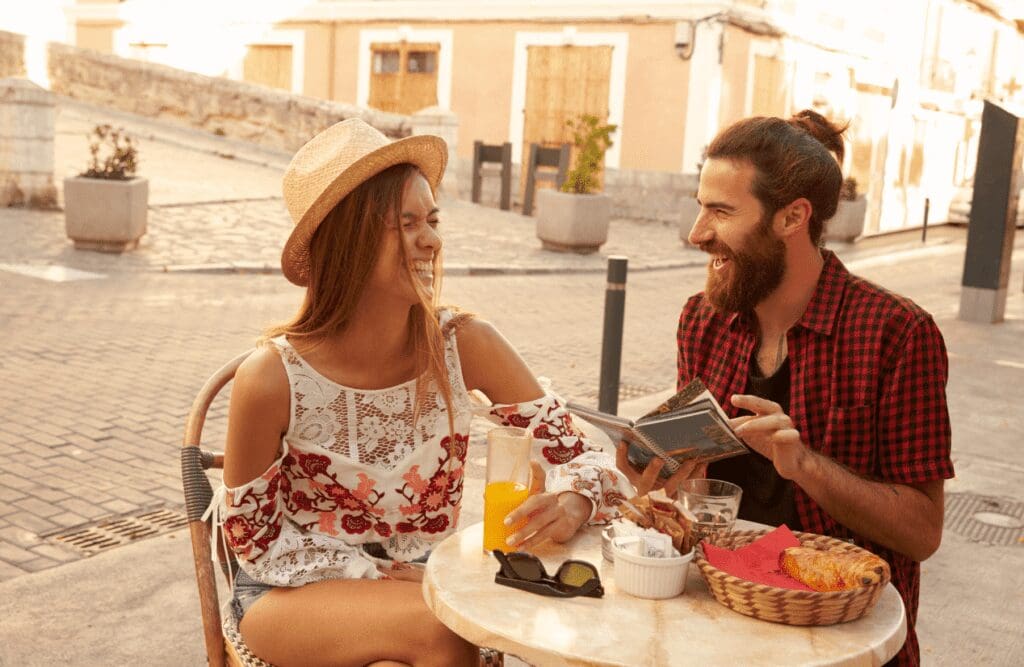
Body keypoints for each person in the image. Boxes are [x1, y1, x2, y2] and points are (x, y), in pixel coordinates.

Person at [205, 118, 633, 667]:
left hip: (429, 588)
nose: (430, 239)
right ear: (347, 240)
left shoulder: (466, 344)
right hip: (293, 595)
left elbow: (583, 456)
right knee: (442, 632)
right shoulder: (271, 378)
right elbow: (254, 542)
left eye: (431, 219)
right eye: (405, 224)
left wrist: (575, 498)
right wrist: (381, 578)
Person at [673, 109, 953, 666]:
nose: (697, 233)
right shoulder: (700, 320)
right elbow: (689, 482)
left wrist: (804, 465)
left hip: (838, 642)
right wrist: (656, 466)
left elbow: (922, 532)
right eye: (700, 206)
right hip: (712, 624)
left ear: (792, 217)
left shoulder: (896, 333)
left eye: (721, 212)